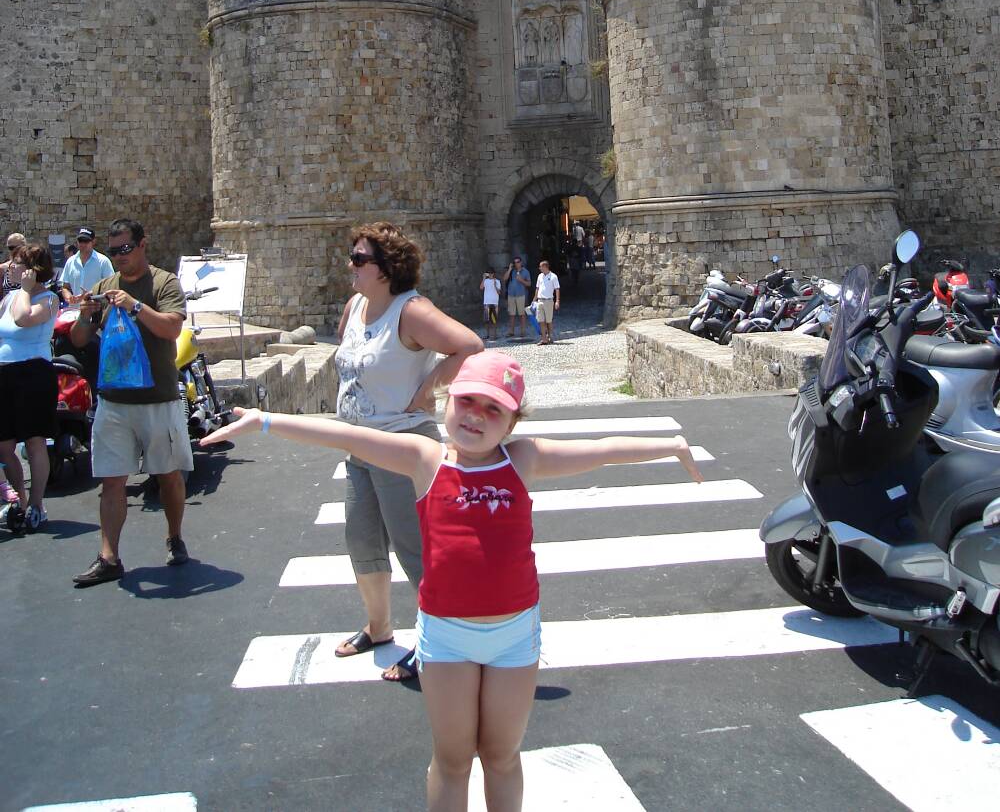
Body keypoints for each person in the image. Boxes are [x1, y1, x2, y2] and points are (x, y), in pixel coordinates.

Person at [200, 350, 703, 811]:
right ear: (447, 400)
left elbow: (602, 450)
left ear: (512, 422)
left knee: (501, 755)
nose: (476, 416)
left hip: (514, 636)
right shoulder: (426, 460)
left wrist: (672, 445)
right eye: (467, 401)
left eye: (493, 409)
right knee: (453, 759)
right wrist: (265, 420)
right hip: (446, 638)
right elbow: (348, 436)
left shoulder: (522, 459)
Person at [332, 221, 482, 681]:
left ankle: (439, 638)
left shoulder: (410, 311)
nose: (350, 265)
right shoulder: (356, 306)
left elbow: (469, 346)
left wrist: (430, 384)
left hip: (402, 445)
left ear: (386, 267)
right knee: (362, 541)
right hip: (360, 445)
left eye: (359, 259)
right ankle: (378, 627)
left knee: (414, 548)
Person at [69, 218, 191, 586]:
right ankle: (109, 557)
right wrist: (84, 316)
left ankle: (174, 536)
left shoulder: (164, 282)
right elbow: (78, 339)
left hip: (158, 399)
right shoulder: (104, 286)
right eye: (114, 251)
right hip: (114, 400)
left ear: (141, 245)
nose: (120, 256)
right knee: (112, 481)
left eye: (125, 249)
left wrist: (136, 306)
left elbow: (172, 328)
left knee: (168, 476)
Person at [0, 242, 61, 529]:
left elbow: (24, 319)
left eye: (17, 263)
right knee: (4, 445)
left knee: (35, 441)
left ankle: (37, 504)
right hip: (4, 374)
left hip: (33, 374)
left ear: (32, 270)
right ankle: (20, 502)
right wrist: (18, 291)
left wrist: (25, 290)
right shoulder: (9, 297)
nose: (10, 267)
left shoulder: (49, 299)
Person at [60, 227, 114, 303]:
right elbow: (65, 287)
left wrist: (91, 295)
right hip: (75, 308)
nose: (82, 244)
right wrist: (69, 297)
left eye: (86, 241)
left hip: (96, 308)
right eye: (80, 241)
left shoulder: (103, 261)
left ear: (93, 242)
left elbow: (111, 288)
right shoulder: (70, 261)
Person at [503, 256, 531, 340]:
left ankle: (523, 331)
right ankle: (511, 331)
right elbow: (504, 278)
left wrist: (521, 280)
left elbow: (529, 284)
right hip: (511, 295)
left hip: (521, 295)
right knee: (511, 314)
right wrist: (509, 269)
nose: (516, 263)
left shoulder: (525, 272)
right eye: (515, 262)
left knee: (522, 314)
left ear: (521, 262)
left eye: (518, 262)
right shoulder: (512, 271)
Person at [533, 260, 561, 345]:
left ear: (545, 267)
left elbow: (557, 289)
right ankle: (544, 339)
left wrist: (557, 301)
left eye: (541, 267)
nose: (539, 268)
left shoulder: (553, 276)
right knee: (541, 320)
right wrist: (534, 299)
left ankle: (550, 336)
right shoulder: (540, 276)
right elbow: (537, 288)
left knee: (549, 321)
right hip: (540, 300)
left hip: (548, 300)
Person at [480, 268, 501, 342]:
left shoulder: (497, 281)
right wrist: (483, 278)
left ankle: (494, 335)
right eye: (489, 273)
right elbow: (481, 287)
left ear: (494, 273)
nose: (490, 274)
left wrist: (495, 285)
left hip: (495, 303)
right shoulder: (485, 281)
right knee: (486, 320)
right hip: (487, 302)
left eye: (491, 273)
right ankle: (487, 334)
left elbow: (499, 292)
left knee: (494, 319)